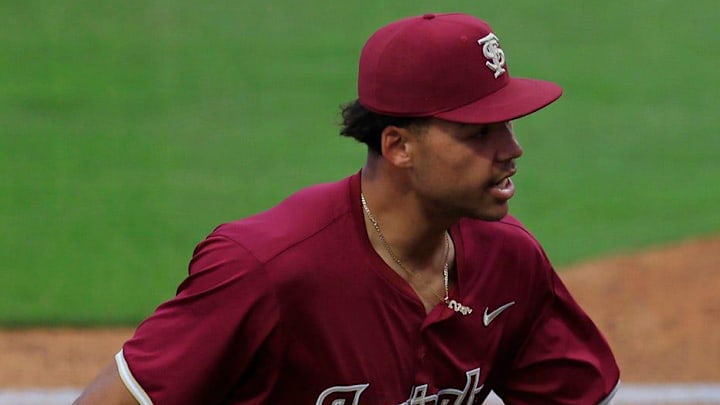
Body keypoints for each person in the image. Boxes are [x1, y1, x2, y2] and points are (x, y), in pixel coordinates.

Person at [74, 12, 620, 405]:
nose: (511, 148)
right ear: (398, 146)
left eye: (508, 123)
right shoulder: (267, 270)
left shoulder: (509, 261)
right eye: (479, 131)